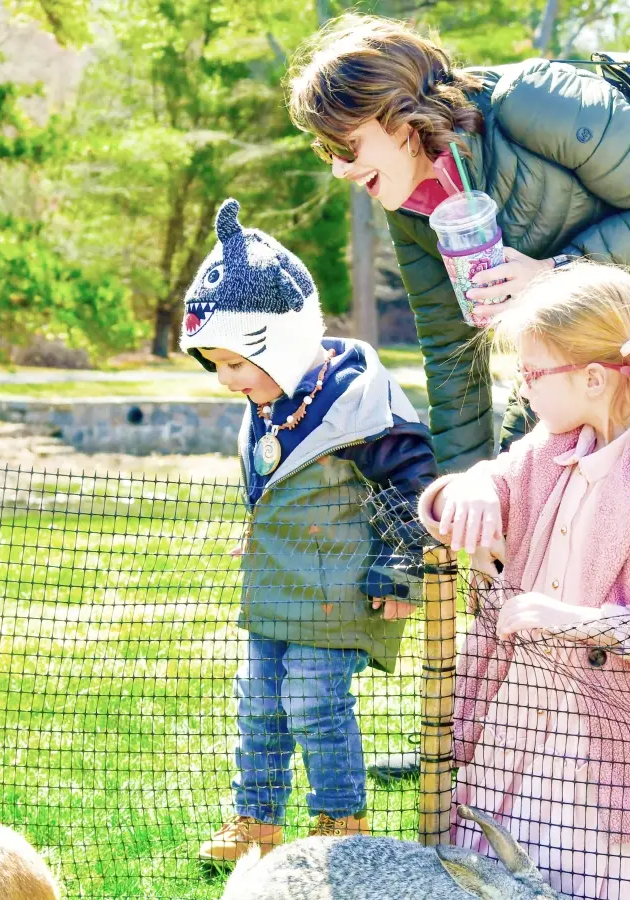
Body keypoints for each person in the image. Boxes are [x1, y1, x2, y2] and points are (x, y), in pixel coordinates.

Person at [287, 15, 630, 475]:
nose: (337, 168)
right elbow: (451, 350)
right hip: (569, 341)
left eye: (345, 146)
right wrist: (467, 492)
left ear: (399, 116)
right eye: (325, 149)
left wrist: (558, 272)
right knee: (522, 489)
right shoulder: (407, 202)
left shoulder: (532, 102)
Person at [421, 262, 630, 900]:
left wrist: (583, 623)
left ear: (593, 378)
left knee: (603, 880)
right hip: (523, 726)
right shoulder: (550, 446)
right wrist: (470, 486)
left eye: (531, 373)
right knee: (501, 876)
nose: (522, 388)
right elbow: (478, 489)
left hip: (624, 745)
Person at [179, 199, 438, 863]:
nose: (227, 380)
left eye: (236, 362)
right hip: (280, 583)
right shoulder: (270, 404)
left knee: (313, 700)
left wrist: (401, 568)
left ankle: (338, 825)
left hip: (340, 587)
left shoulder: (355, 401)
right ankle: (256, 825)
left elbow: (414, 484)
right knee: (260, 703)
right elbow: (281, 481)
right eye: (217, 364)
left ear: (284, 341)